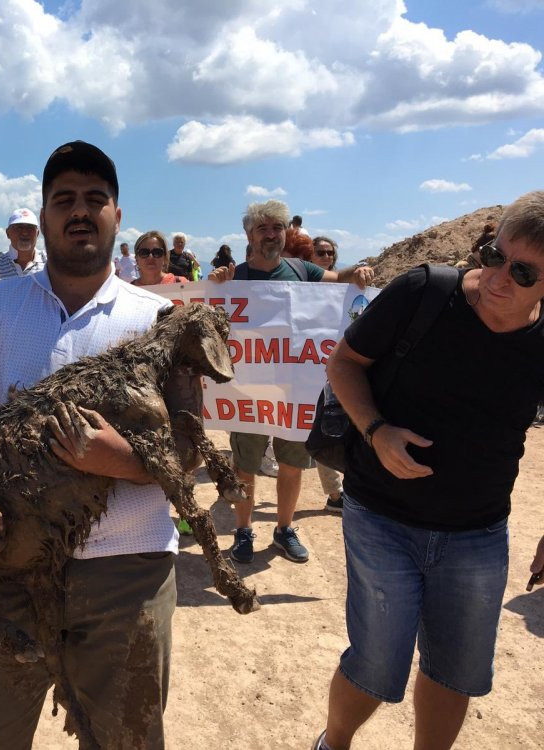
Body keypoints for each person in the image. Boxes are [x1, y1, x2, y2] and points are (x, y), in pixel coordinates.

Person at [0, 140, 180, 749]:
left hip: (128, 574)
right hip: (7, 566)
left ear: (118, 214)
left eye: (95, 199)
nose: (80, 211)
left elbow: (187, 456)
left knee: (127, 741)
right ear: (44, 214)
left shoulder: (156, 319)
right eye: (65, 199)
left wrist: (119, 460)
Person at [313, 190, 544, 750]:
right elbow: (343, 363)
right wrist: (375, 429)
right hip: (381, 518)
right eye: (494, 253)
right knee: (375, 666)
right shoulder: (424, 291)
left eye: (522, 271)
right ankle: (333, 743)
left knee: (456, 671)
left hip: (478, 532)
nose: (497, 276)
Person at [209, 200, 373, 564]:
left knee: (292, 464)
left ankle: (284, 529)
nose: (271, 234)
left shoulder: (303, 270)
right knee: (246, 465)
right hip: (247, 390)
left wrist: (356, 274)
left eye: (277, 228)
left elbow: (339, 282)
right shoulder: (237, 278)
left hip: (295, 390)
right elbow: (207, 311)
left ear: (286, 232)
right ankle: (243, 531)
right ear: (249, 235)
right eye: (262, 228)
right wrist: (214, 283)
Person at [310, 236, 348, 512]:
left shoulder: (345, 290)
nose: (325, 257)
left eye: (329, 253)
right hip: (296, 371)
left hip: (328, 369)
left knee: (328, 426)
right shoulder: (295, 288)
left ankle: (335, 494)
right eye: (320, 253)